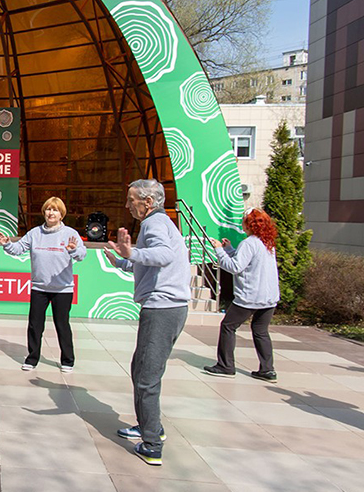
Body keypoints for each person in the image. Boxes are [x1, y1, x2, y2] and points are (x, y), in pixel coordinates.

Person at [105, 180, 190, 467]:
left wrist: (132, 253)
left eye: (131, 200)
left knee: (146, 377)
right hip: (167, 308)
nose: (128, 205)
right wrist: (122, 261)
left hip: (163, 309)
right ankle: (148, 425)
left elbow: (162, 256)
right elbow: (149, 261)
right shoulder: (159, 223)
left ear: (148, 202)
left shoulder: (155, 224)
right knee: (140, 368)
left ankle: (152, 443)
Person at [0, 196, 86, 373]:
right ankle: (32, 358)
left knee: (62, 324)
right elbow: (18, 249)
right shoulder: (35, 233)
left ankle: (67, 360)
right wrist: (7, 244)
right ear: (44, 212)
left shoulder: (70, 234)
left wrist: (73, 250)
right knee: (35, 325)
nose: (51, 213)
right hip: (39, 288)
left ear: (61, 214)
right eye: (48, 209)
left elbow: (82, 254)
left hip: (62, 289)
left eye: (55, 210)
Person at [203, 208, 280, 383]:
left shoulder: (249, 243)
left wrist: (219, 251)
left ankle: (225, 366)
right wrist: (229, 249)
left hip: (250, 296)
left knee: (228, 326)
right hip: (269, 297)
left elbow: (235, 267)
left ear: (249, 224)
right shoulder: (267, 242)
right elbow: (245, 261)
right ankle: (268, 370)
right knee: (261, 331)